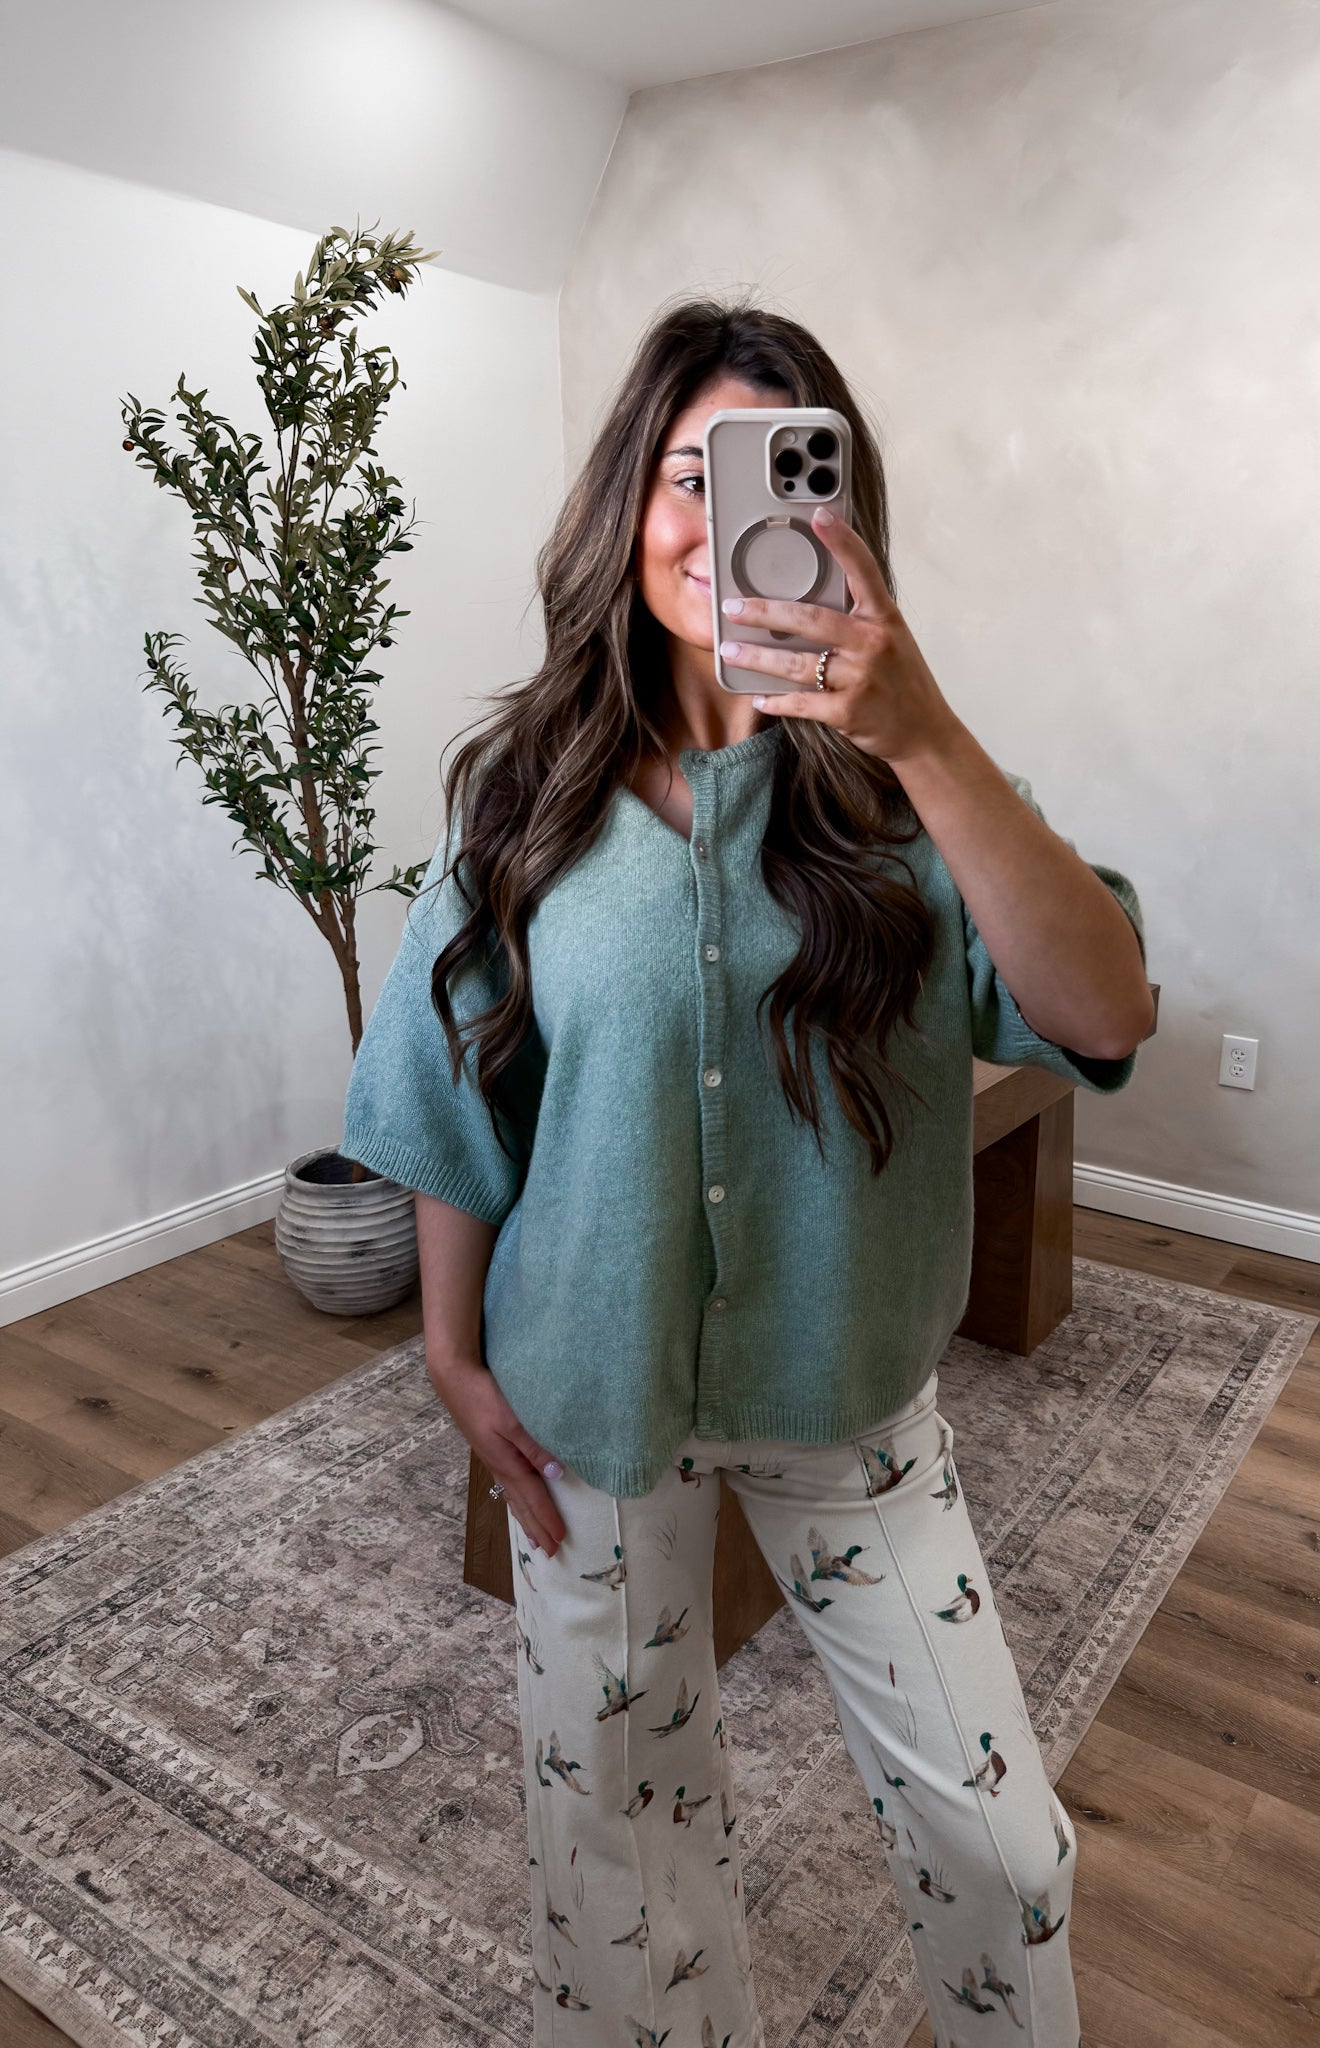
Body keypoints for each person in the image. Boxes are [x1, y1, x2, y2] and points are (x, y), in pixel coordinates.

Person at [340, 294, 1151, 2048]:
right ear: (631, 498)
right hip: (592, 1402)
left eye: (779, 478)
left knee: (1001, 1853)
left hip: (849, 1400)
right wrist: (454, 1358)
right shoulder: (524, 799)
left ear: (840, 516)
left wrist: (924, 733)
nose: (725, 525)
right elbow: (456, 1091)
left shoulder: (906, 801)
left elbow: (1102, 1009)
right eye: (691, 475)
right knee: (618, 1854)